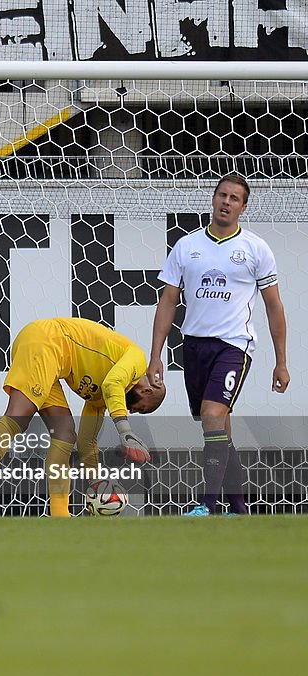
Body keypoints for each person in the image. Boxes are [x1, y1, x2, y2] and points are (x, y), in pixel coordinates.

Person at [148, 174, 288, 516]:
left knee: (213, 415)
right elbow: (167, 302)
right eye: (222, 195)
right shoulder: (187, 246)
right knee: (218, 427)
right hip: (194, 347)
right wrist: (155, 356)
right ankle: (239, 510)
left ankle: (208, 505)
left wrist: (281, 361)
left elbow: (274, 306)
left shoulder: (255, 248)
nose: (227, 202)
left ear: (243, 206)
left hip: (234, 346)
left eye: (234, 198)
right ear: (213, 199)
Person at [0, 317, 167, 519]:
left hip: (52, 360)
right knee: (18, 416)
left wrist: (96, 481)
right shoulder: (136, 360)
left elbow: (87, 441)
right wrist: (125, 430)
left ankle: (60, 516)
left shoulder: (101, 398)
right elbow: (113, 385)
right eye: (141, 409)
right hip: (47, 341)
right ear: (147, 391)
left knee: (65, 432)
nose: (134, 411)